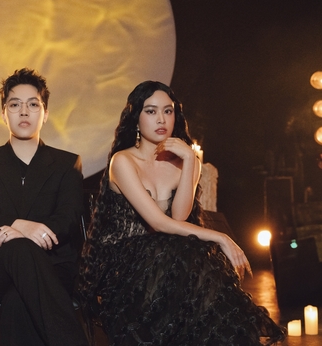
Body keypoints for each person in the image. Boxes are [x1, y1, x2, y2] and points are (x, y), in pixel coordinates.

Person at [80, 81, 286, 345]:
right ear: (136, 119)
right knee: (185, 253)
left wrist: (189, 161)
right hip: (123, 267)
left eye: (168, 111)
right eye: (151, 111)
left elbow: (178, 217)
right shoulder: (122, 161)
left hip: (166, 262)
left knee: (186, 258)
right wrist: (220, 237)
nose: (161, 119)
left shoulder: (186, 162)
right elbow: (157, 222)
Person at [0, 68, 89, 346]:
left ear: (45, 114)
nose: (24, 112)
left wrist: (19, 231)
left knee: (18, 301)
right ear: (3, 113)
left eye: (33, 104)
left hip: (53, 263)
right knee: (19, 249)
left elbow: (68, 217)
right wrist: (19, 225)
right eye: (15, 105)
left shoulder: (67, 163)